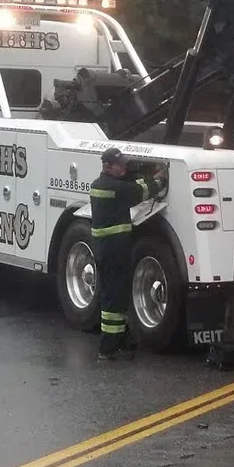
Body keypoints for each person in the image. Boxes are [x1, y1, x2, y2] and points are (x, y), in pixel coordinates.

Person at [90, 148, 151, 361]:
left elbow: (128, 186)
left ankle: (121, 341)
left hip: (107, 248)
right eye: (119, 164)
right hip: (114, 249)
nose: (123, 167)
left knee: (114, 295)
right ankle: (108, 348)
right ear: (107, 166)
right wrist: (159, 179)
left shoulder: (100, 185)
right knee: (113, 300)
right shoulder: (112, 188)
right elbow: (140, 192)